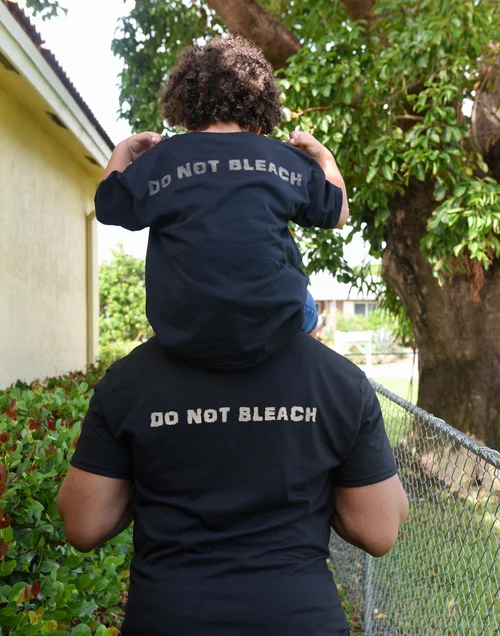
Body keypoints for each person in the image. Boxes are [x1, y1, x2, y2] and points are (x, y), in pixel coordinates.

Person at [57, 333, 409, 636]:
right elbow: (378, 530)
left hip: (171, 616)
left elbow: (85, 524)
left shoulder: (128, 380)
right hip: (297, 616)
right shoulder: (338, 380)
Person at [95, 35, 349, 368]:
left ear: (187, 117)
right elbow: (338, 213)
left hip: (183, 325)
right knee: (306, 305)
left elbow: (108, 206)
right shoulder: (284, 158)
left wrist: (123, 151)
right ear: (259, 122)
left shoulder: (163, 157)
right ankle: (299, 369)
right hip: (271, 323)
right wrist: (324, 157)